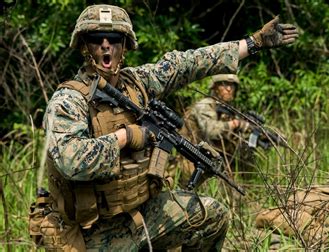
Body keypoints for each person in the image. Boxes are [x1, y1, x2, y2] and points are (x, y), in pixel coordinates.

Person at [30, 4, 298, 251]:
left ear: (124, 46)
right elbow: (72, 160)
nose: (105, 46)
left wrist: (254, 43)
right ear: (83, 46)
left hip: (139, 213)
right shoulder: (69, 101)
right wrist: (126, 136)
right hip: (91, 233)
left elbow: (186, 63)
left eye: (113, 39)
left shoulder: (137, 84)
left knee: (212, 215)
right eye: (95, 39)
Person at [172, 74, 256, 187]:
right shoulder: (205, 105)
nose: (229, 89)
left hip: (211, 160)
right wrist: (236, 124)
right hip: (191, 158)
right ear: (215, 87)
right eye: (224, 84)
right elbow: (211, 131)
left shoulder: (226, 109)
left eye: (232, 85)